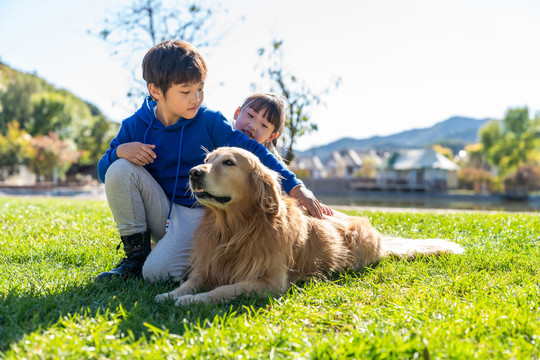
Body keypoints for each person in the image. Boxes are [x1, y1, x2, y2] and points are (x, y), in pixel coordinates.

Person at [95, 40, 331, 283]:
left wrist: (296, 187)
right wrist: (120, 151)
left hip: (197, 215)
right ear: (156, 91)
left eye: (200, 89)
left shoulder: (210, 121)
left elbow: (254, 152)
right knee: (120, 169)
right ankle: (135, 258)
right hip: (159, 209)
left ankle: (176, 258)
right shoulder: (135, 125)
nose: (195, 99)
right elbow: (105, 172)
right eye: (185, 92)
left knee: (157, 275)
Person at [232, 92, 333, 214]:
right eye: (250, 115)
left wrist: (301, 199)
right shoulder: (220, 133)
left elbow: (282, 180)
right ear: (237, 113)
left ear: (271, 136)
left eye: (264, 125)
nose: (253, 126)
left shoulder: (269, 155)